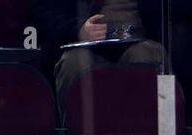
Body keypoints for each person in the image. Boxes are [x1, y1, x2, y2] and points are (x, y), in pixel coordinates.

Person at [32, 0, 168, 102]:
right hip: (82, 45)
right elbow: (44, 11)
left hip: (141, 40)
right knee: (74, 62)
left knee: (145, 55)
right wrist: (79, 30)